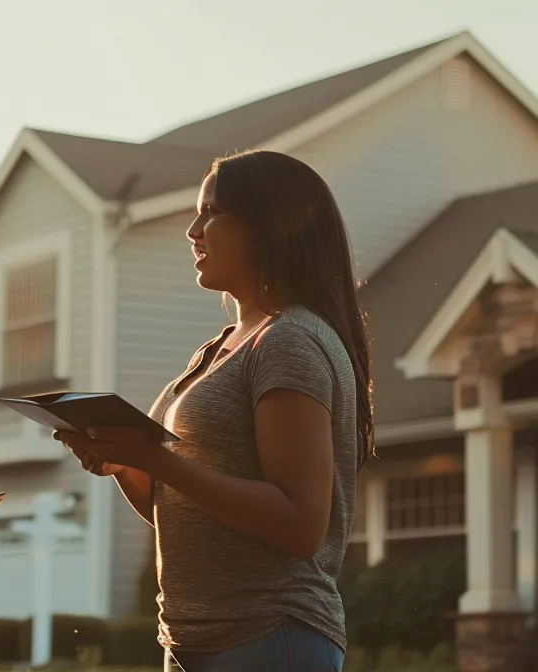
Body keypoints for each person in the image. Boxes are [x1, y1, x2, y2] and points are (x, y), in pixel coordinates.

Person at [55, 150, 374, 672]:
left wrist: (157, 461)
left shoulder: (288, 341)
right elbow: (179, 506)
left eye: (212, 212)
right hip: (191, 642)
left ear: (267, 226)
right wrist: (120, 461)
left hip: (269, 635)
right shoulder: (218, 349)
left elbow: (299, 524)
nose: (193, 231)